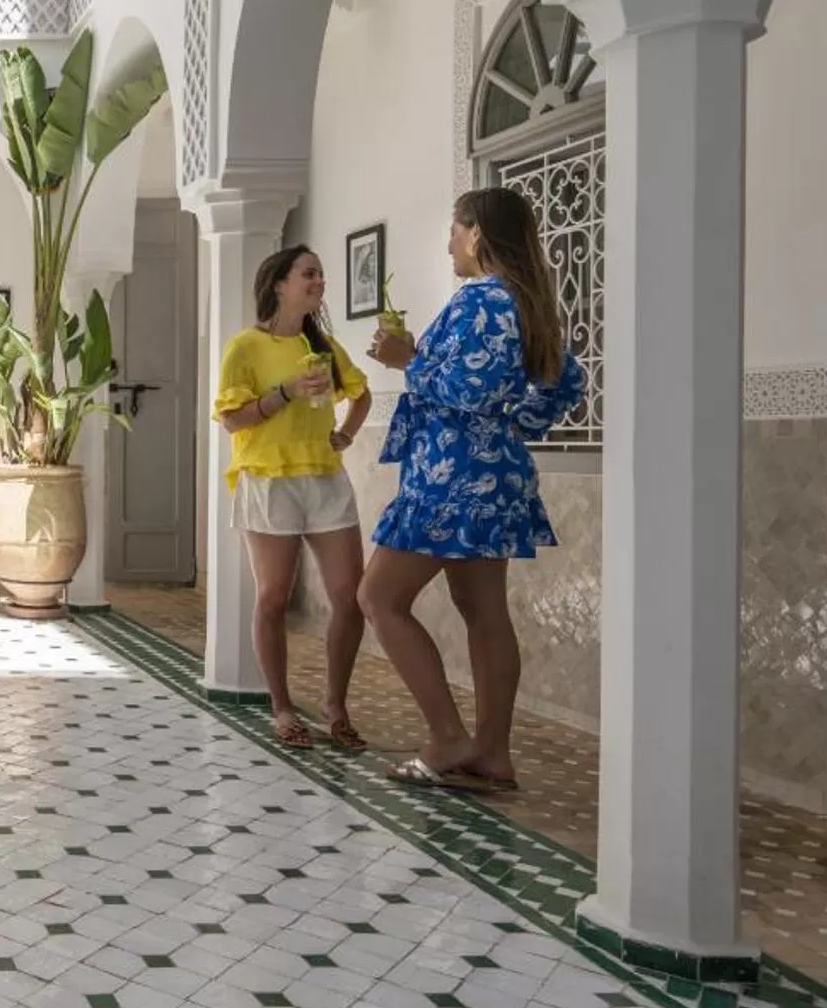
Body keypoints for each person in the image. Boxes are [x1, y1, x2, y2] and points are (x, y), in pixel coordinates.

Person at [361, 186, 587, 792]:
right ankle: (491, 753)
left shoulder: (480, 301)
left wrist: (409, 359)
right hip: (493, 476)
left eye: (455, 230)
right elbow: (565, 384)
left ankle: (447, 737)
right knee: (484, 612)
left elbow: (467, 391)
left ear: (477, 234)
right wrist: (514, 427)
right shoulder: (527, 303)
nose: (449, 243)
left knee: (377, 598)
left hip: (451, 478)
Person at [211, 246, 372, 750]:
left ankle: (335, 703)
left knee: (352, 596)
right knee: (273, 597)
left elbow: (361, 394)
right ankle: (281, 707)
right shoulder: (245, 347)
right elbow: (233, 419)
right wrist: (285, 392)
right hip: (267, 478)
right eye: (309, 273)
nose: (320, 281)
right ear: (279, 283)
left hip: (324, 477)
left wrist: (344, 436)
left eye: (321, 274)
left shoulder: (322, 345)